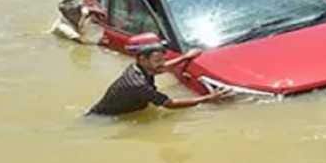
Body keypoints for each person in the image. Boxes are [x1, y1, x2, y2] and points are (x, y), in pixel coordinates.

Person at [88, 33, 229, 116]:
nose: (162, 63)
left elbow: (161, 68)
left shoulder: (139, 67)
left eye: (163, 59)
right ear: (143, 59)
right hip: (107, 118)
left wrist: (185, 57)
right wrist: (208, 98)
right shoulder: (138, 84)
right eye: (157, 60)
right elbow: (169, 104)